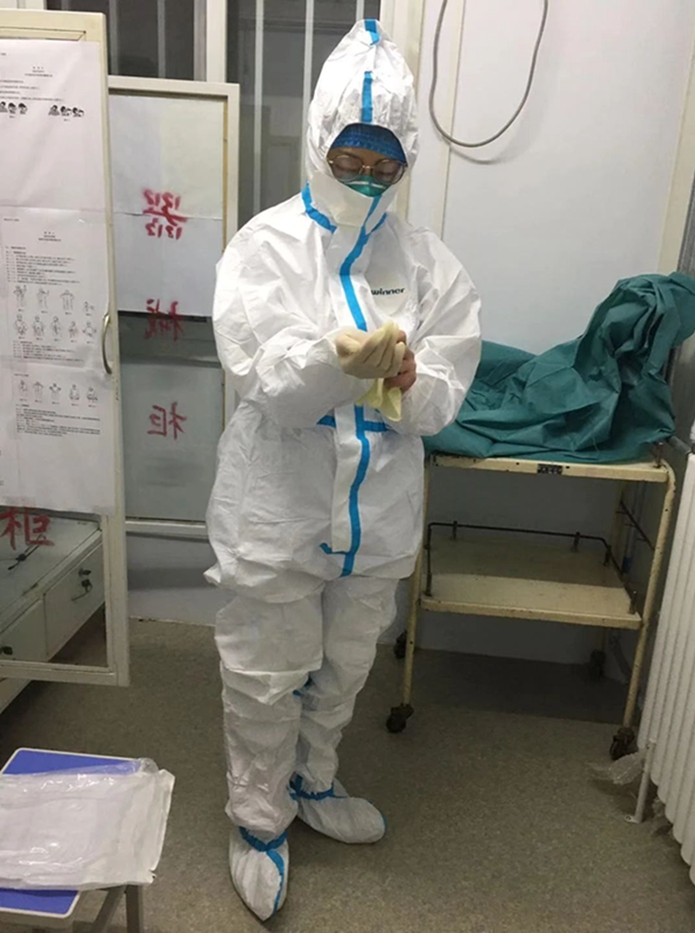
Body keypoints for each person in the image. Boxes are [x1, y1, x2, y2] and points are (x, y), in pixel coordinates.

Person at [206, 18, 481, 921]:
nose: (366, 177)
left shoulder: (429, 263)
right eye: (350, 158)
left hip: (379, 512)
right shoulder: (265, 247)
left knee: (344, 667)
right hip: (279, 506)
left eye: (383, 163)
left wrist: (409, 377)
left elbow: (446, 392)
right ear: (320, 143)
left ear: (405, 162)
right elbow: (268, 380)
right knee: (266, 673)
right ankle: (258, 819)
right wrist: (337, 357)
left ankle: (315, 781)